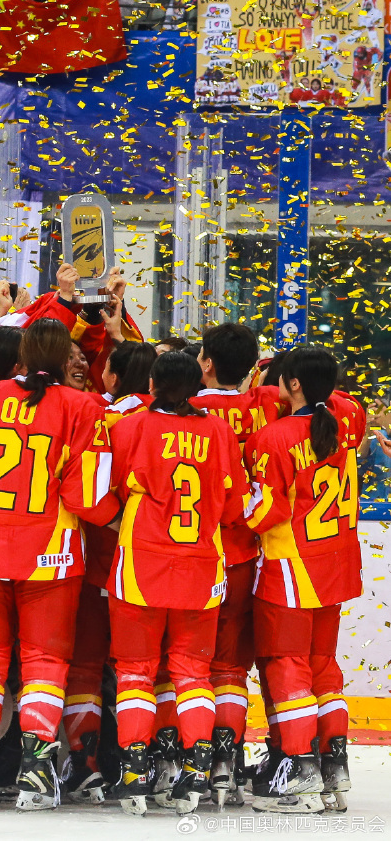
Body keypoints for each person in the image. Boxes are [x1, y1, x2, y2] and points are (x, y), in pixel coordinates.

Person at [0, 318, 119, 811]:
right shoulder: (83, 405)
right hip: (50, 552)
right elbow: (86, 495)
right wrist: (125, 518)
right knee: (44, 661)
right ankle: (37, 769)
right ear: (65, 359)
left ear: (21, 356)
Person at [105, 351, 250, 816]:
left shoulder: (130, 426)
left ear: (151, 383)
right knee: (193, 672)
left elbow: (107, 491)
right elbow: (235, 506)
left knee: (136, 671)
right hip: (201, 564)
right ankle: (198, 767)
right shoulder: (220, 431)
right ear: (194, 388)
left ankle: (135, 770)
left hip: (141, 563)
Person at [245, 347, 363, 815]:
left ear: (293, 384)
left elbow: (266, 509)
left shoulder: (273, 438)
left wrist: (231, 507)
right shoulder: (345, 422)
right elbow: (348, 406)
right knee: (322, 664)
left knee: (286, 663)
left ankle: (298, 769)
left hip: (292, 567)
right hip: (336, 562)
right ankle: (334, 762)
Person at [188, 324, 282, 808]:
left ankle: (184, 758)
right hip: (244, 552)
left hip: (189, 552)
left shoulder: (184, 407)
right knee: (229, 664)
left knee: (184, 661)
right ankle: (227, 759)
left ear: (204, 362)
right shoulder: (265, 404)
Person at [60, 340, 156, 804]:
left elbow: (85, 495)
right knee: (158, 669)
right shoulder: (190, 421)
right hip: (163, 570)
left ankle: (87, 763)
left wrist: (118, 521)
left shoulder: (102, 416)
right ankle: (159, 762)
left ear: (113, 377)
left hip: (100, 563)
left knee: (85, 665)